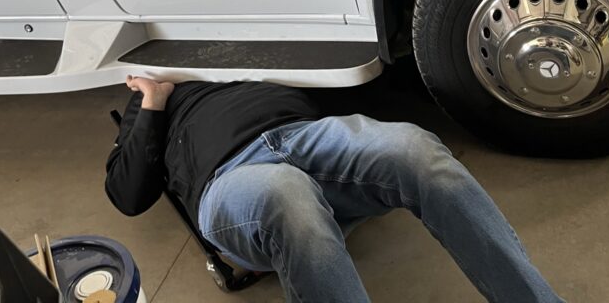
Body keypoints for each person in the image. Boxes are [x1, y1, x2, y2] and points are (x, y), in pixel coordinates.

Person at [105, 75, 564, 303]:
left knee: (414, 148)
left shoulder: (251, 46)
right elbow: (127, 193)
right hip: (230, 179)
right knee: (286, 192)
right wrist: (154, 99)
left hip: (307, 135)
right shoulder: (149, 97)